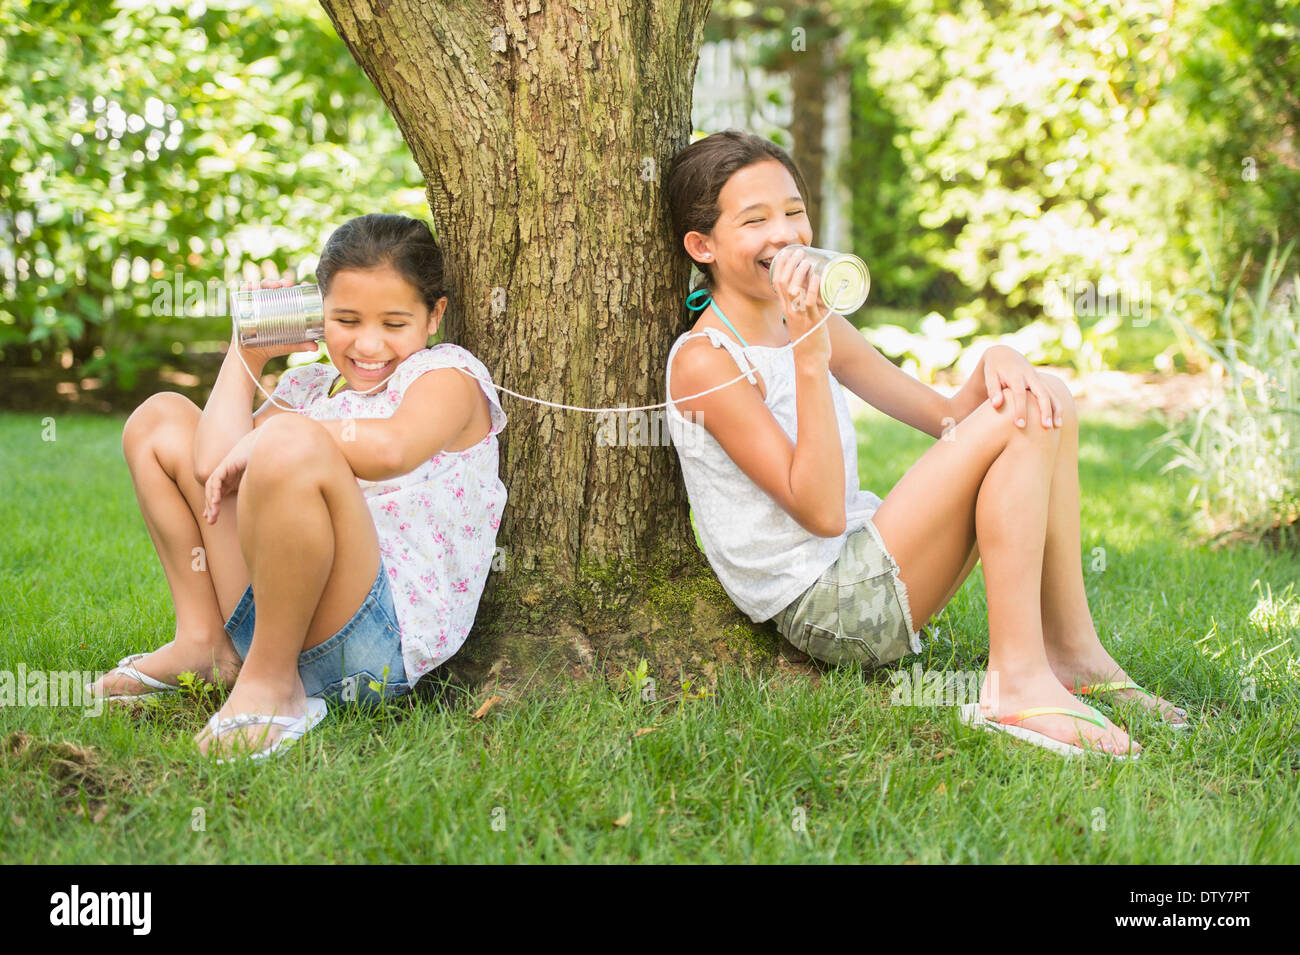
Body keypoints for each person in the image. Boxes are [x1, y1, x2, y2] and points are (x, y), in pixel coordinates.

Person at [663, 131, 1187, 759]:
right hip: (828, 609)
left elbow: (943, 417)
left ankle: (1073, 652)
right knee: (1022, 416)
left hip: (867, 561)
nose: (786, 235)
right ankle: (1016, 684)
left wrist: (997, 357)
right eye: (756, 220)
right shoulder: (705, 362)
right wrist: (810, 357)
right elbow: (821, 511)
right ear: (704, 246)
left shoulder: (807, 319)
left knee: (1047, 398)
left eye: (794, 211)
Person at [88, 213, 507, 761]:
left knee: (288, 440)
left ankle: (273, 687)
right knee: (159, 420)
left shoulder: (447, 377)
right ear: (316, 314)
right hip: (278, 611)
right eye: (346, 320)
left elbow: (391, 449)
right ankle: (204, 644)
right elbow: (211, 464)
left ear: (435, 316)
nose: (369, 343)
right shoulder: (307, 386)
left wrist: (276, 439)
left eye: (395, 323)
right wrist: (247, 353)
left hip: (370, 641)